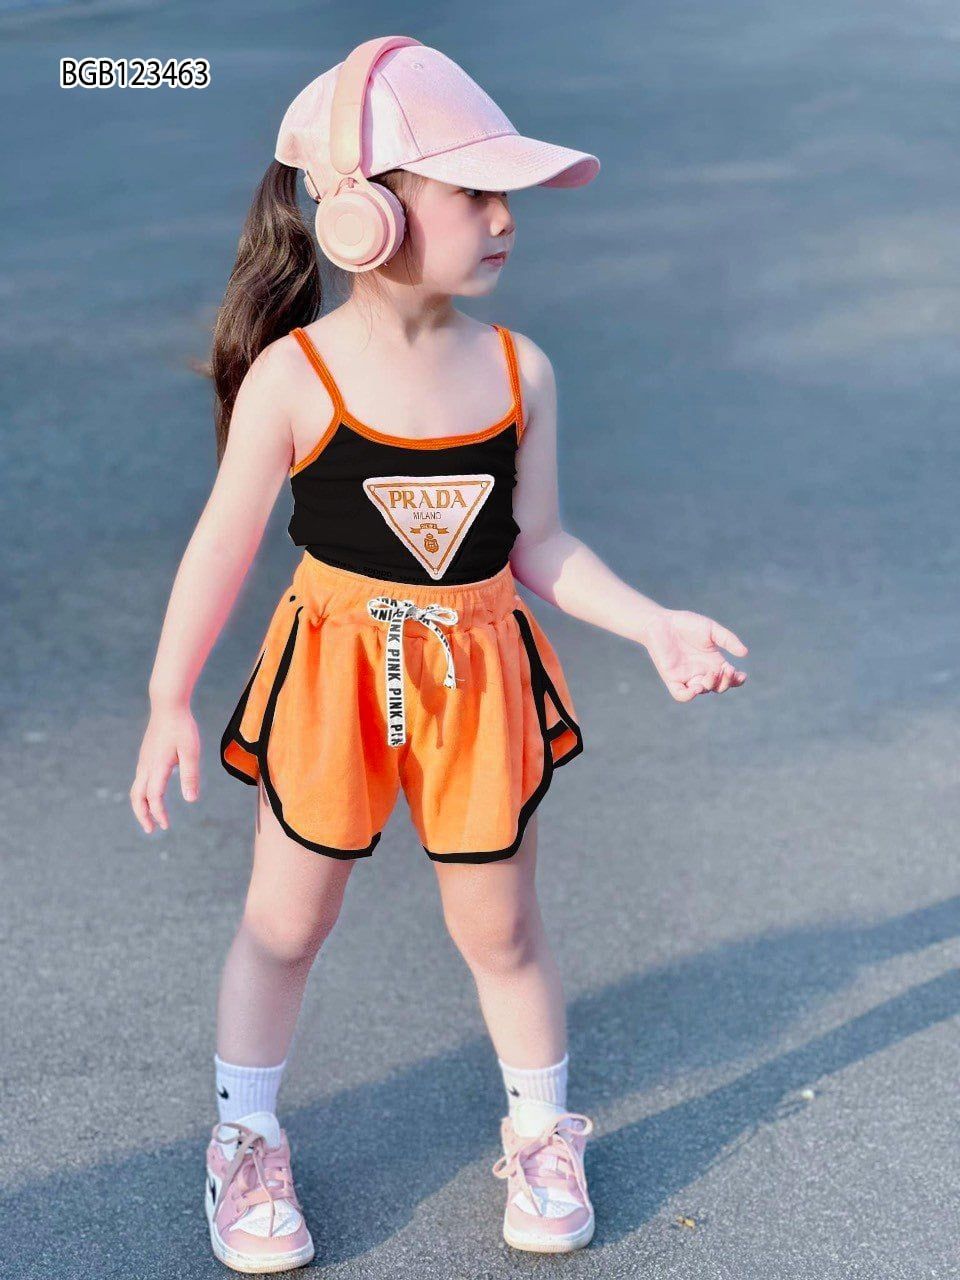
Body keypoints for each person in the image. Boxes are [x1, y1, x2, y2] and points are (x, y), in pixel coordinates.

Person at [130, 36, 748, 1272]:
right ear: (360, 213)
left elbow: (540, 541)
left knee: (502, 928)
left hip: (479, 684)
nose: (505, 218)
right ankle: (244, 1137)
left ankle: (542, 1131)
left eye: (506, 194)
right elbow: (221, 543)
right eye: (474, 192)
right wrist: (167, 698)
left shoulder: (521, 371)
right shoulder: (298, 377)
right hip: (332, 681)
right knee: (285, 923)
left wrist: (651, 621)